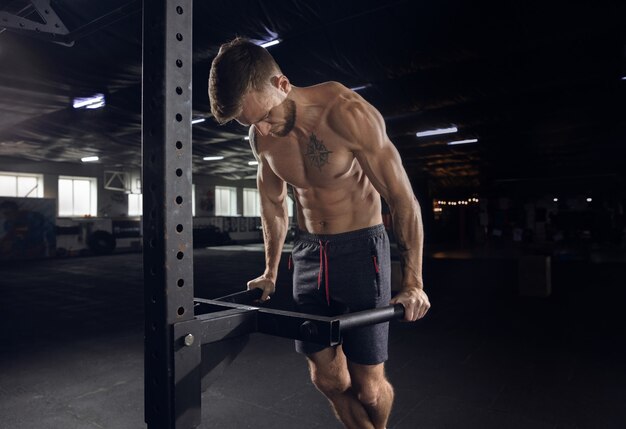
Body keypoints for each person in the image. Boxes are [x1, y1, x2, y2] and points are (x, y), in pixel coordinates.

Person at [209, 38, 430, 429]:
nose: (263, 129)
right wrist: (270, 271)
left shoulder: (345, 112)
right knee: (328, 378)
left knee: (369, 390)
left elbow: (402, 198)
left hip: (363, 250)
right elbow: (274, 207)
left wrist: (413, 282)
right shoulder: (260, 136)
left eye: (266, 117)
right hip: (309, 254)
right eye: (252, 123)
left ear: (282, 84)